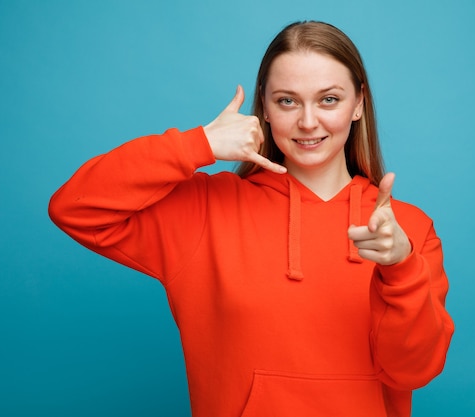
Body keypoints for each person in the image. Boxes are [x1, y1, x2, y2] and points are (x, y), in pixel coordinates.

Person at [49, 20, 453, 417]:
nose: (308, 122)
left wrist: (401, 268)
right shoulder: (208, 210)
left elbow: (414, 371)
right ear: (264, 107)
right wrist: (198, 144)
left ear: (358, 104)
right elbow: (75, 207)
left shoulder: (407, 230)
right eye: (287, 101)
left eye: (328, 99)